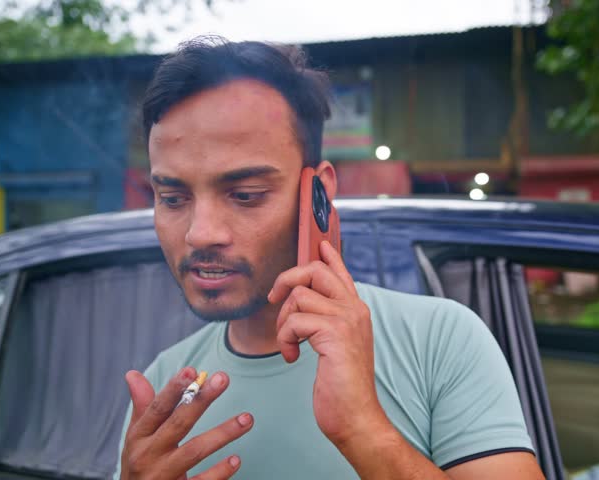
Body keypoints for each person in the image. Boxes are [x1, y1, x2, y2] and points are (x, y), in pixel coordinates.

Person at [115, 36, 544, 480]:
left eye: (246, 195)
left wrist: (364, 430)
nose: (200, 232)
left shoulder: (437, 341)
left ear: (318, 192)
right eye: (171, 197)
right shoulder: (165, 387)